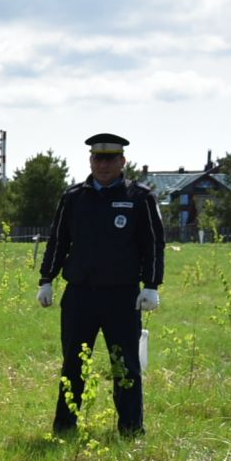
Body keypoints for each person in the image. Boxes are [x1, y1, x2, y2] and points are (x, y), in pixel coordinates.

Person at [37, 132, 165, 435]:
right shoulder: (73, 198)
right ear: (90, 160)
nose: (103, 165)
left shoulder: (140, 198)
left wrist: (152, 285)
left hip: (122, 297)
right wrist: (47, 279)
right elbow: (58, 240)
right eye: (98, 158)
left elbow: (154, 244)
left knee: (125, 367)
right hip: (80, 296)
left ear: (122, 161)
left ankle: (131, 430)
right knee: (73, 365)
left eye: (110, 159)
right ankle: (65, 428)